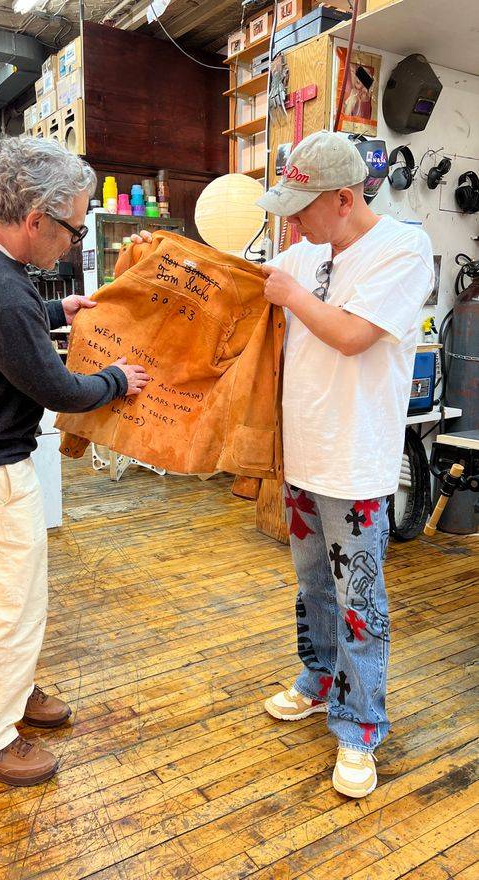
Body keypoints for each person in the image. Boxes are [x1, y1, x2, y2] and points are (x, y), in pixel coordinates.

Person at [0, 137, 149, 788]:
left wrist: (53, 310)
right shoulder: (1, 293)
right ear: (35, 220)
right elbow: (58, 388)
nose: (72, 244)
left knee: (10, 599)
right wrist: (116, 380)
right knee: (9, 609)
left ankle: (14, 693)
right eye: (72, 229)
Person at [258, 130, 433, 798]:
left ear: (343, 198)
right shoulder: (305, 252)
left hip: (356, 460)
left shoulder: (403, 249)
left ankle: (360, 724)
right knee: (313, 587)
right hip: (304, 453)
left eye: (301, 208)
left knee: (359, 599)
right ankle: (317, 678)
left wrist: (292, 295)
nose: (292, 223)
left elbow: (355, 336)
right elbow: (250, 290)